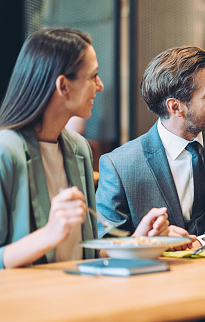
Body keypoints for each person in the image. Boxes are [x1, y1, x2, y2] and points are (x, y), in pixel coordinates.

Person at [0, 28, 170, 269]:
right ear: (63, 86)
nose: (100, 86)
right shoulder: (5, 152)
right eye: (93, 76)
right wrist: (49, 235)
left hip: (78, 296)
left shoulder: (79, 149)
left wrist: (137, 242)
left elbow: (85, 252)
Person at [96, 45, 205, 249]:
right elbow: (104, 247)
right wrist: (150, 240)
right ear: (175, 107)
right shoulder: (120, 165)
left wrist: (204, 241)